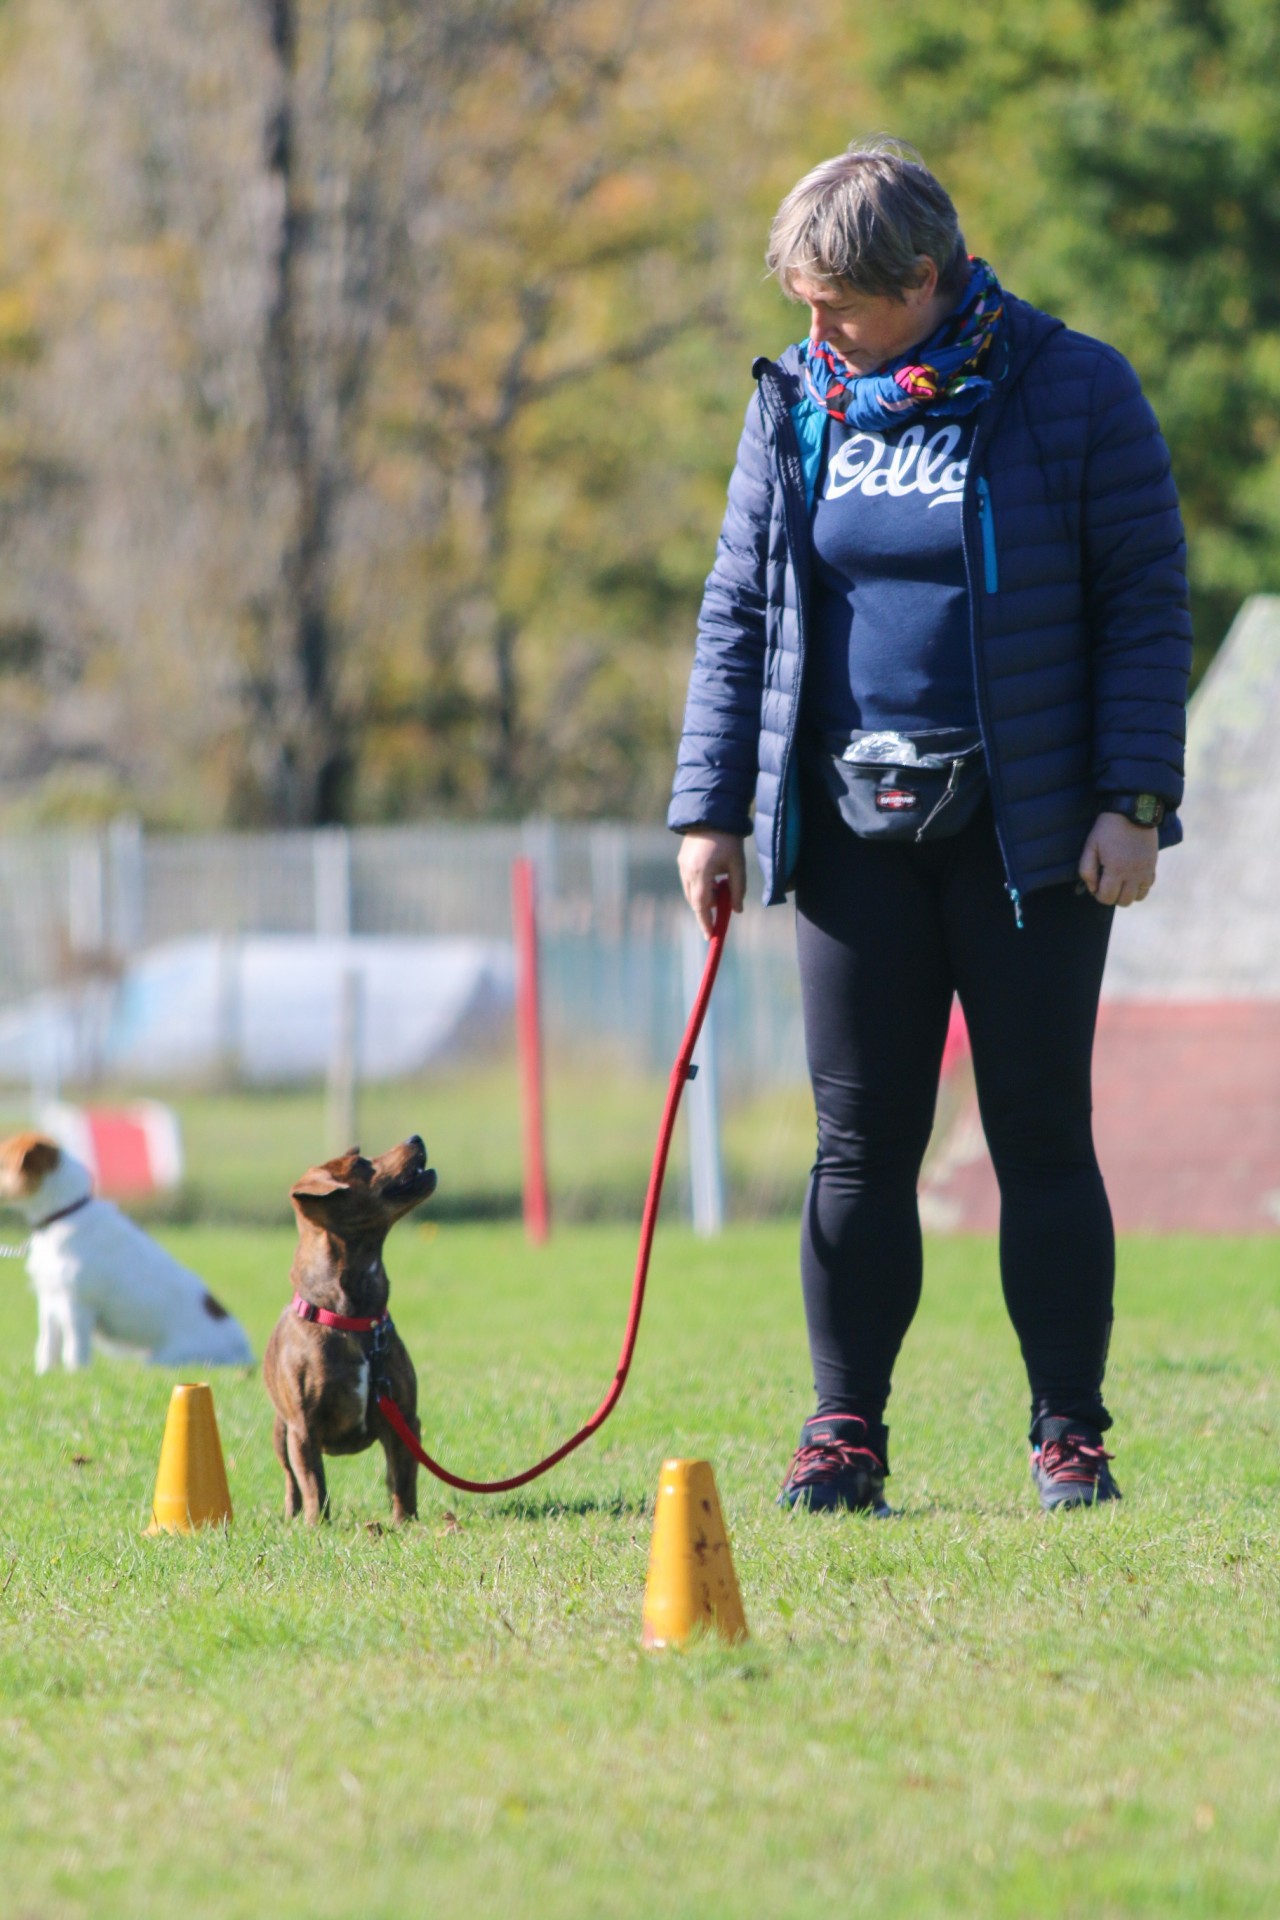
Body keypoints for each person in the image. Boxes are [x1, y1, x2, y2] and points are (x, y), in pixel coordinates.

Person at [669, 139, 1192, 1513]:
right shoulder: (795, 401)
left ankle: (1069, 1434)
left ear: (925, 275)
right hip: (850, 833)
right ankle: (845, 1433)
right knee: (859, 1142)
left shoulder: (1074, 389)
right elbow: (739, 614)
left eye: (836, 301)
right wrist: (710, 809)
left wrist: (1131, 802)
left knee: (1038, 1133)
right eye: (801, 300)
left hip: (1029, 838)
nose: (814, 326)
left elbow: (1144, 604)